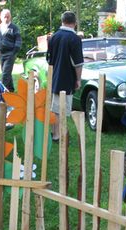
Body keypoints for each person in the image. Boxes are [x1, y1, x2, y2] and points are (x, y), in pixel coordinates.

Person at [46, 11, 84, 142]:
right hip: (67, 77)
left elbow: (49, 59)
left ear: (62, 21)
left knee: (55, 106)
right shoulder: (75, 39)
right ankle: (59, 135)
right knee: (61, 108)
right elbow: (78, 63)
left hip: (54, 76)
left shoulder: (54, 37)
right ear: (75, 23)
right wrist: (78, 79)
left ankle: (56, 132)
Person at [0, 9, 22, 92]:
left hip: (10, 54)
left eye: (8, 16)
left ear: (10, 17)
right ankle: (11, 90)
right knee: (6, 73)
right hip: (1, 54)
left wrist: (14, 52)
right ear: (1, 17)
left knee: (5, 74)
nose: (6, 18)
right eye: (4, 16)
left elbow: (18, 41)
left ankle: (3, 93)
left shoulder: (14, 28)